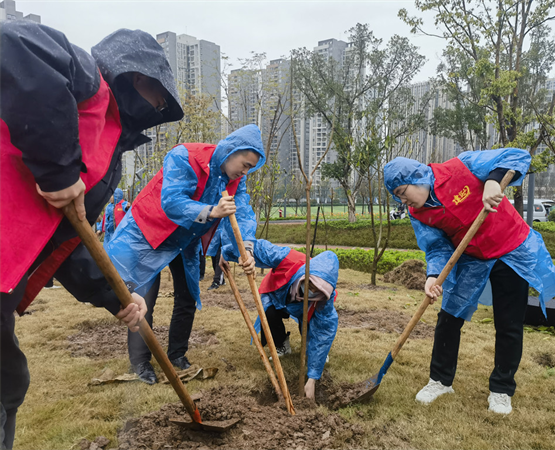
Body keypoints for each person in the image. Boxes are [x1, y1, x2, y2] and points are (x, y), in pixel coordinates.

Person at [0, 21, 183, 449]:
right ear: (139, 76)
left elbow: (67, 243)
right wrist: (59, 169)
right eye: (159, 98)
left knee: (9, 382)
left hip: (6, 274)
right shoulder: (85, 77)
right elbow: (14, 44)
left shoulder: (111, 149)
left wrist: (117, 296)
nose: (158, 108)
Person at [383, 148, 555, 415]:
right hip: (472, 259)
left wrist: (493, 180)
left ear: (417, 177)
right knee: (449, 318)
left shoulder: (461, 167)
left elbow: (516, 156)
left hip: (510, 249)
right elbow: (436, 247)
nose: (404, 201)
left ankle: (501, 390)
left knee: (508, 323)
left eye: (402, 192)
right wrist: (433, 276)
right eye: (398, 197)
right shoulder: (418, 213)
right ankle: (440, 381)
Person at [107, 124, 265, 384]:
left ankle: (177, 354)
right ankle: (140, 361)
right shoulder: (185, 156)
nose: (245, 171)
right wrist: (212, 210)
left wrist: (246, 247)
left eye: (250, 168)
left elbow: (243, 211)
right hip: (152, 233)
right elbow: (171, 201)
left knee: (187, 297)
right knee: (143, 298)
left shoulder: (236, 179)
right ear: (231, 150)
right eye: (245, 164)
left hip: (186, 240)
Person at [222, 239, 339, 400]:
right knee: (269, 315)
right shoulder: (289, 259)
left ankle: (312, 354)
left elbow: (323, 333)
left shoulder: (324, 301)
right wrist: (227, 252)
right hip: (278, 295)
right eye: (310, 286)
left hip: (303, 310)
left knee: (312, 327)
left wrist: (312, 378)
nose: (310, 292)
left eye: (317, 291)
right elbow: (259, 248)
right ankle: (282, 344)